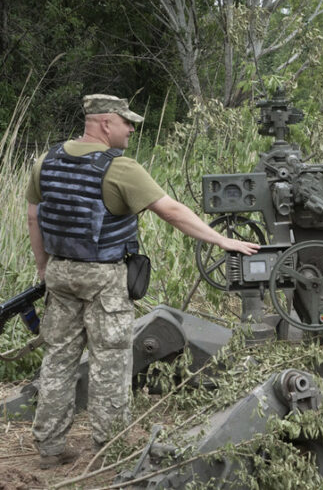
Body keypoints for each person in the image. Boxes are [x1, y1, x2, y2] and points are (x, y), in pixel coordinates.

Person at [25, 94, 260, 469]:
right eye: (126, 122)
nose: (132, 129)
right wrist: (221, 240)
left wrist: (43, 267)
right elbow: (171, 210)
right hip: (103, 275)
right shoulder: (120, 167)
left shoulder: (47, 160)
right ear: (105, 123)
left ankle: (49, 450)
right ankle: (110, 451)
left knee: (58, 359)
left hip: (59, 272)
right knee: (111, 361)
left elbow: (34, 216)